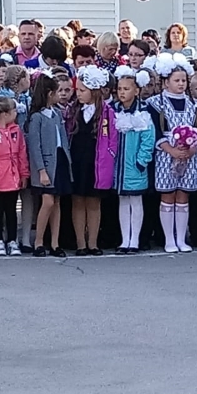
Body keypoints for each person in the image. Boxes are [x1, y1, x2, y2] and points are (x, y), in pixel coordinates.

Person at [147, 53, 197, 253]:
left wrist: (192, 148)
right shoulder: (155, 103)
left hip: (189, 154)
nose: (181, 84)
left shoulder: (193, 104)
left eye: (183, 80)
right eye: (176, 80)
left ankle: (181, 238)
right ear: (166, 82)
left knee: (183, 196)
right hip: (166, 154)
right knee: (168, 195)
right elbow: (154, 130)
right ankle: (169, 239)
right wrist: (170, 149)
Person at [67, 65, 117, 256]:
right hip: (77, 162)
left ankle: (93, 243)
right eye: (77, 90)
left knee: (94, 203)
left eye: (82, 90)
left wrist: (109, 156)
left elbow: (113, 139)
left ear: (94, 91)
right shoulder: (72, 111)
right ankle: (81, 243)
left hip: (97, 164)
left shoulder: (107, 112)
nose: (78, 94)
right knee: (78, 201)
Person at [27, 73, 72, 258]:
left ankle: (55, 242)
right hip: (46, 165)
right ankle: (38, 241)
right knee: (47, 202)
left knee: (57, 202)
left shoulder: (56, 114)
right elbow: (34, 146)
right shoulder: (36, 117)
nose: (59, 95)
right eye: (56, 91)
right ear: (48, 93)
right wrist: (41, 170)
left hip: (59, 160)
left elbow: (63, 139)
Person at [112, 66, 155, 254]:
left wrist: (141, 161)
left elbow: (148, 139)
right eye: (120, 89)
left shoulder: (143, 112)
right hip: (119, 166)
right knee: (123, 200)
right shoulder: (114, 110)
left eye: (126, 89)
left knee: (136, 201)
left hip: (135, 166)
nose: (122, 92)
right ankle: (125, 240)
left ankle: (134, 240)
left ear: (136, 91)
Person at [0, 96, 30, 257]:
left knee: (11, 210)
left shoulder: (16, 131)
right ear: (5, 114)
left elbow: (21, 153)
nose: (16, 113)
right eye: (14, 111)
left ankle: (12, 240)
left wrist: (24, 173)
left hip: (13, 177)